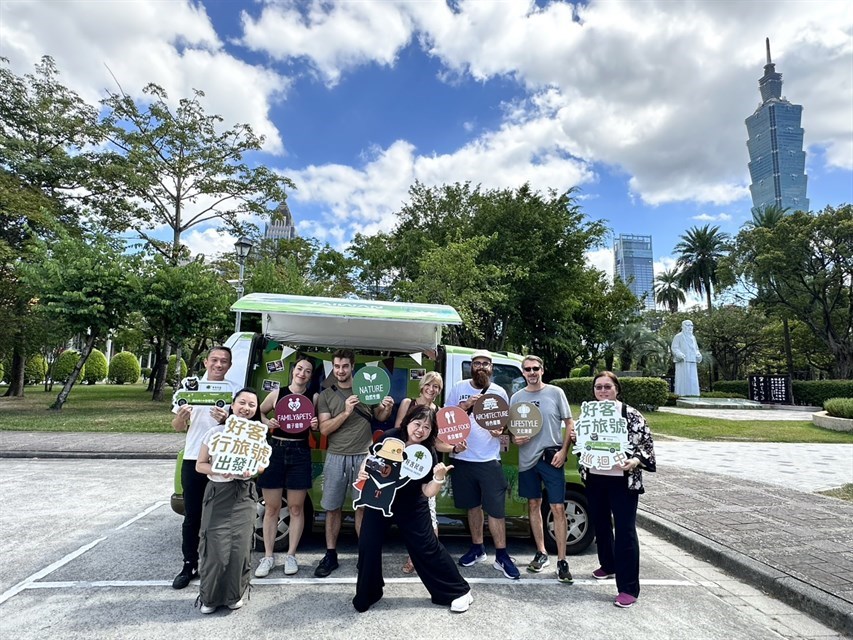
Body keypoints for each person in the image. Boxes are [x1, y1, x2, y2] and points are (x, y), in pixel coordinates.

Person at [353, 405, 473, 614]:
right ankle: (369, 592)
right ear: (408, 422)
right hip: (381, 499)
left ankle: (459, 591)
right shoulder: (390, 437)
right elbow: (370, 459)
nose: (420, 430)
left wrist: (438, 477)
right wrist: (364, 471)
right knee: (367, 544)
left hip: (412, 504)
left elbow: (427, 491)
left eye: (427, 427)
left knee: (426, 547)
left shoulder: (428, 453)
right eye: (417, 424)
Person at [314, 349, 394, 578]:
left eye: (345, 366)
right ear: (333, 367)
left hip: (363, 457)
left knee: (362, 508)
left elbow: (378, 416)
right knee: (332, 507)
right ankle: (330, 555)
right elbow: (325, 429)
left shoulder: (366, 388)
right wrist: (346, 412)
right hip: (336, 456)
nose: (340, 371)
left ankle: (364, 555)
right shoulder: (326, 395)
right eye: (337, 366)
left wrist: (386, 407)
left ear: (352, 367)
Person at [582, 371, 656, 609]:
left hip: (623, 481)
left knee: (624, 530)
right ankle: (608, 564)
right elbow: (583, 442)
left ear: (617, 389)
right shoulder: (588, 414)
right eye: (598, 388)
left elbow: (646, 443)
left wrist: (635, 461)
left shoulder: (630, 414)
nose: (602, 391)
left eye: (607, 387)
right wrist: (576, 438)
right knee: (601, 524)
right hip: (595, 477)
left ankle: (628, 588)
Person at [446, 349, 520, 580]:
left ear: (491, 367)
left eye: (485, 363)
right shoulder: (459, 388)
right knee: (472, 507)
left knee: (496, 511)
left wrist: (500, 431)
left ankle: (502, 555)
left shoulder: (499, 392)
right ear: (471, 366)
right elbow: (447, 416)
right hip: (463, 459)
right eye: (476, 363)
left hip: (489, 460)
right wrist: (466, 405)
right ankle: (477, 548)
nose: (481, 367)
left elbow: (505, 425)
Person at [195, 388, 267, 614]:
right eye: (242, 403)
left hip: (244, 493)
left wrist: (253, 470)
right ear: (233, 405)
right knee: (215, 548)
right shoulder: (216, 433)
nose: (246, 408)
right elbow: (200, 464)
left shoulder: (256, 435)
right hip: (218, 493)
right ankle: (209, 597)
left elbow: (262, 465)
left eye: (252, 405)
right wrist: (220, 469)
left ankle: (234, 594)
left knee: (239, 547)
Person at [170, 346, 236, 590]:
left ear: (230, 365)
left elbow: (240, 425)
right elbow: (176, 426)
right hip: (193, 458)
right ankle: (189, 564)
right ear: (206, 362)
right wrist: (183, 417)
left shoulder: (232, 390)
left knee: (221, 516)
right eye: (215, 360)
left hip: (222, 459)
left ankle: (219, 564)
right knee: (192, 516)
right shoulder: (188, 389)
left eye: (224, 361)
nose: (219, 365)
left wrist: (226, 420)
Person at [510, 355, 575, 583]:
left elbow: (569, 424)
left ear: (542, 370)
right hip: (527, 460)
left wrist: (563, 451)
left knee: (557, 507)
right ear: (523, 372)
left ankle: (562, 560)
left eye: (535, 368)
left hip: (551, 458)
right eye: (527, 369)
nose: (532, 372)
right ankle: (542, 552)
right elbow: (513, 428)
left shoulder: (556, 393)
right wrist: (514, 438)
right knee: (533, 504)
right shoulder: (517, 397)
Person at [254, 355, 318, 578]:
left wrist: (315, 425)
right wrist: (267, 421)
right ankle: (268, 556)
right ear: (293, 371)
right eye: (300, 369)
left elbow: (317, 425)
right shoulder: (277, 393)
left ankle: (291, 555)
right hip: (276, 450)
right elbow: (258, 412)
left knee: (296, 508)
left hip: (300, 451)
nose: (302, 373)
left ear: (311, 376)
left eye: (307, 371)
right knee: (271, 508)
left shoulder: (314, 397)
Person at [394, 371, 455, 574]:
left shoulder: (438, 411)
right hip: (402, 465)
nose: (432, 389)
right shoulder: (407, 403)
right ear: (422, 385)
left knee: (429, 512)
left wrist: (454, 448)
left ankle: (420, 558)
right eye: (429, 384)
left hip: (425, 466)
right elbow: (398, 431)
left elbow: (436, 442)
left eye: (436, 386)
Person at [671, 320, 702, 396]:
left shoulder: (693, 337)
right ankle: (682, 394)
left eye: (691, 325)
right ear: (683, 326)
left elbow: (696, 349)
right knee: (683, 379)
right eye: (688, 325)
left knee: (693, 379)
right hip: (683, 361)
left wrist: (698, 354)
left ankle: (694, 394)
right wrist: (679, 354)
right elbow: (674, 347)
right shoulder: (678, 336)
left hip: (692, 360)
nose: (690, 327)